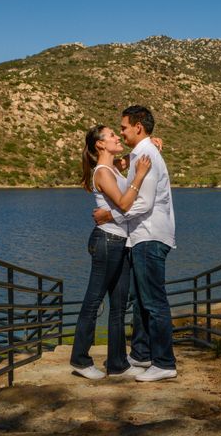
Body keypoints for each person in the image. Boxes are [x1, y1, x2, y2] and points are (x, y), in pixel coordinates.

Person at [94, 105, 177, 382]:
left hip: (150, 235)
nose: (121, 132)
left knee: (154, 301)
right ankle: (141, 354)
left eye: (124, 127)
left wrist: (109, 214)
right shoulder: (142, 152)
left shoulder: (146, 154)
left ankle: (164, 362)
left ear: (138, 127)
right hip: (142, 235)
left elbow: (144, 202)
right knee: (141, 299)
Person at [70, 124, 153, 379]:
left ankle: (117, 363)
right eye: (112, 136)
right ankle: (80, 360)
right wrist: (139, 176)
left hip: (120, 242)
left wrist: (151, 142)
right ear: (100, 144)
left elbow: (132, 156)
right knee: (94, 301)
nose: (118, 137)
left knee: (118, 305)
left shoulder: (114, 167)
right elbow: (125, 204)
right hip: (106, 241)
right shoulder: (103, 172)